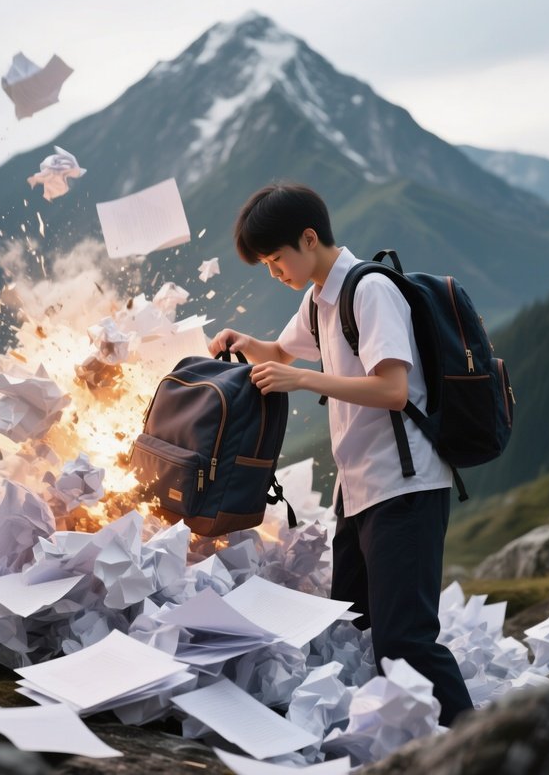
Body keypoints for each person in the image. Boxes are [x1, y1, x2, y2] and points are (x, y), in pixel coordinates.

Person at [207, 183, 473, 726]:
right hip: (360, 492)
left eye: (276, 258)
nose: (273, 271)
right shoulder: (319, 298)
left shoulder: (369, 290)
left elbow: (393, 389)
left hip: (406, 486)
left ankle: (486, 747)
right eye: (266, 263)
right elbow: (281, 352)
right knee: (354, 627)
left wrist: (302, 380)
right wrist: (244, 342)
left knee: (405, 641)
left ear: (309, 239)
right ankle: (393, 741)